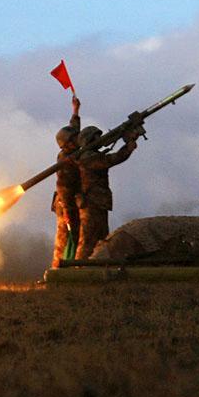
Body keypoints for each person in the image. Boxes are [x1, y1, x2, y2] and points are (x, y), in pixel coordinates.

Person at [74, 121, 141, 261]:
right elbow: (112, 159)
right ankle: (78, 268)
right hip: (91, 203)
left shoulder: (91, 155)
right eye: (96, 137)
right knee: (88, 240)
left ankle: (96, 266)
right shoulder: (87, 157)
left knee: (101, 239)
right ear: (89, 140)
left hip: (98, 202)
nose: (100, 140)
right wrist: (128, 147)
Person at [50, 95, 83, 268]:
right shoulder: (66, 160)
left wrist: (75, 110)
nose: (78, 140)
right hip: (65, 204)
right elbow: (64, 189)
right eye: (74, 139)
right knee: (64, 240)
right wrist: (69, 214)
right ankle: (57, 272)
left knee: (75, 237)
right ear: (67, 144)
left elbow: (73, 129)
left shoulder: (72, 149)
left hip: (69, 202)